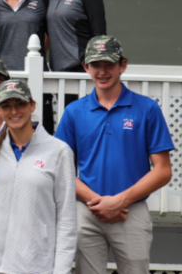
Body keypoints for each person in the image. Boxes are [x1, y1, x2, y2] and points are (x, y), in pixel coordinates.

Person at [55, 36, 174, 274]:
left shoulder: (147, 108)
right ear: (86, 67)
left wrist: (119, 201)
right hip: (86, 212)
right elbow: (61, 168)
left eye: (109, 64)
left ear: (123, 65)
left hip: (131, 211)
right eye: (96, 65)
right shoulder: (74, 111)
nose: (102, 71)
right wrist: (98, 203)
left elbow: (163, 170)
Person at [0, 79, 77, 274]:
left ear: (32, 105)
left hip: (37, 266)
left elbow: (67, 218)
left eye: (20, 104)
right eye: (6, 106)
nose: (14, 111)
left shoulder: (59, 151)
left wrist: (61, 270)